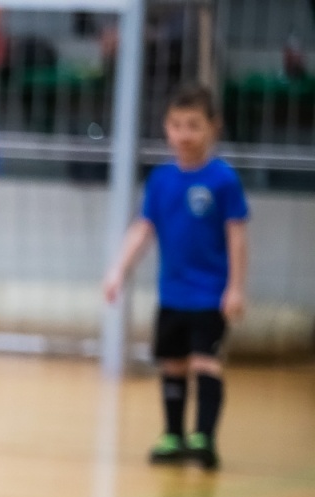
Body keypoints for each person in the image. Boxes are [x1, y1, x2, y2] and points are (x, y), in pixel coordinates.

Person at [104, 85, 249, 472]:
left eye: (193, 126)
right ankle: (173, 435)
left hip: (210, 294)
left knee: (206, 363)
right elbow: (142, 228)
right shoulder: (161, 179)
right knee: (172, 364)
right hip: (173, 293)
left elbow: (236, 236)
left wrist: (235, 287)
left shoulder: (223, 180)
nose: (184, 134)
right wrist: (118, 269)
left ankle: (203, 438)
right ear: (166, 128)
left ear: (212, 129)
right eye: (176, 125)